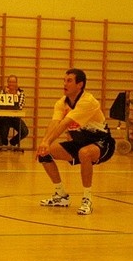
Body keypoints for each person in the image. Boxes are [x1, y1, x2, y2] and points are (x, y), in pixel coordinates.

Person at [37, 68, 115, 215]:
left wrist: (48, 141)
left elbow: (64, 123)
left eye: (69, 81)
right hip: (79, 142)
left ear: (80, 85)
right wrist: (44, 142)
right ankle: (61, 195)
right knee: (44, 153)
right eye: (64, 80)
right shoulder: (61, 102)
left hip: (102, 142)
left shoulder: (88, 101)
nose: (65, 84)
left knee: (84, 153)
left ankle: (87, 199)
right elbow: (55, 122)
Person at [0, 75, 29, 147]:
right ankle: (4, 144)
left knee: (25, 131)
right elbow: (0, 105)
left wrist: (13, 96)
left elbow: (20, 107)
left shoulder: (21, 93)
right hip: (4, 117)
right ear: (7, 83)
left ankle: (12, 142)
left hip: (15, 117)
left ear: (16, 83)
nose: (11, 84)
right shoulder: (3, 92)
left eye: (13, 82)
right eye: (10, 82)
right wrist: (6, 94)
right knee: (3, 132)